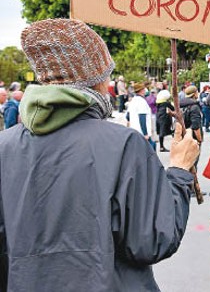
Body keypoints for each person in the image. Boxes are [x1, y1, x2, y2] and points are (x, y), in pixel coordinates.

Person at [0, 18, 199, 290]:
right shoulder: (124, 145)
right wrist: (179, 170)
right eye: (106, 74)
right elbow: (154, 240)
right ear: (94, 81)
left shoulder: (4, 147)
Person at [126, 82, 155, 150]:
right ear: (142, 90)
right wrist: (145, 134)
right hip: (142, 133)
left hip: (135, 131)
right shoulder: (141, 102)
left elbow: (127, 116)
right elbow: (142, 118)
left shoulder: (133, 100)